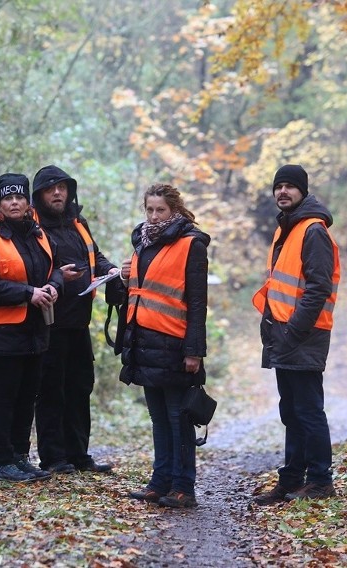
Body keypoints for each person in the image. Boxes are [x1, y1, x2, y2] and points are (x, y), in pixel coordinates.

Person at [0, 173, 63, 483]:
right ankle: (2, 462)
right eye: (8, 198)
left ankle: (21, 457)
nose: (15, 202)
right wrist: (28, 293)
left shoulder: (38, 234)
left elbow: (56, 268)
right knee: (4, 397)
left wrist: (53, 286)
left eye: (20, 197)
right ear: (0, 204)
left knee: (26, 396)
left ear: (28, 202)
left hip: (34, 331)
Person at [251, 164, 341, 504]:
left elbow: (318, 288)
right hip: (284, 333)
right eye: (279, 186)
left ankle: (319, 481)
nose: (282, 192)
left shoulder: (312, 230)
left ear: (303, 191)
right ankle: (291, 480)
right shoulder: (287, 228)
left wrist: (294, 331)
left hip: (303, 334)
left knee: (308, 410)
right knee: (291, 410)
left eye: (290, 186)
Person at [119, 183, 210, 508]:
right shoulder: (143, 243)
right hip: (144, 344)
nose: (154, 215)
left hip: (175, 344)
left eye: (160, 210)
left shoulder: (192, 244)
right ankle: (160, 482)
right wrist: (124, 277)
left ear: (174, 210)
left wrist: (194, 351)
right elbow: (135, 294)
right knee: (159, 419)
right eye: (150, 209)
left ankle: (184, 486)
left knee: (178, 418)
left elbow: (198, 303)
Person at [31, 165, 118, 474]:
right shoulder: (32, 227)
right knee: (51, 390)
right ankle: (54, 458)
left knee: (81, 388)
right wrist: (58, 278)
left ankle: (79, 454)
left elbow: (96, 257)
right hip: (48, 323)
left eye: (63, 188)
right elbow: (26, 272)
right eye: (51, 188)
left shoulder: (78, 223)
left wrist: (109, 271)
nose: (58, 193)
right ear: (39, 194)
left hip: (79, 322)